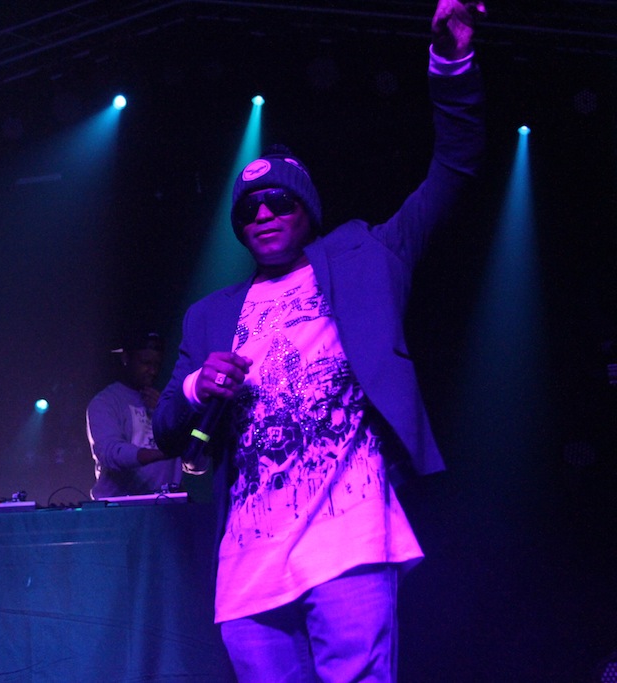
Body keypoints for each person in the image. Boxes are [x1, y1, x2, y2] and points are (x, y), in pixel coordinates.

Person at [152, 1, 487, 680]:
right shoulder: (210, 315)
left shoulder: (369, 258)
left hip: (348, 533)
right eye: (249, 209)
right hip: (248, 555)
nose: (264, 213)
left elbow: (454, 166)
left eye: (280, 201)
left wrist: (451, 65)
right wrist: (193, 385)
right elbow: (165, 429)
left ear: (307, 210)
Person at [86, 331, 206, 499]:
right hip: (119, 506)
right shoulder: (105, 401)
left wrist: (166, 414)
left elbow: (197, 464)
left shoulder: (165, 402)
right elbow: (110, 453)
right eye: (146, 363)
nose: (153, 370)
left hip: (166, 504)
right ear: (126, 358)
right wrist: (165, 454)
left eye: (157, 364)